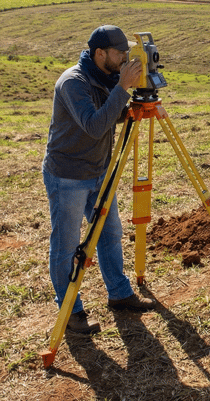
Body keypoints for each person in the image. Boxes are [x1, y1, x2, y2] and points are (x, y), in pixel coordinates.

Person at [43, 25, 157, 335]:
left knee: (110, 233)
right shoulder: (73, 82)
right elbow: (94, 126)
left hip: (99, 171)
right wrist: (122, 87)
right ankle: (70, 311)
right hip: (68, 176)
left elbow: (110, 115)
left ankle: (119, 294)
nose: (125, 59)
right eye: (120, 53)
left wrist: (130, 101)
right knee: (66, 246)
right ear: (100, 53)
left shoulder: (106, 77)